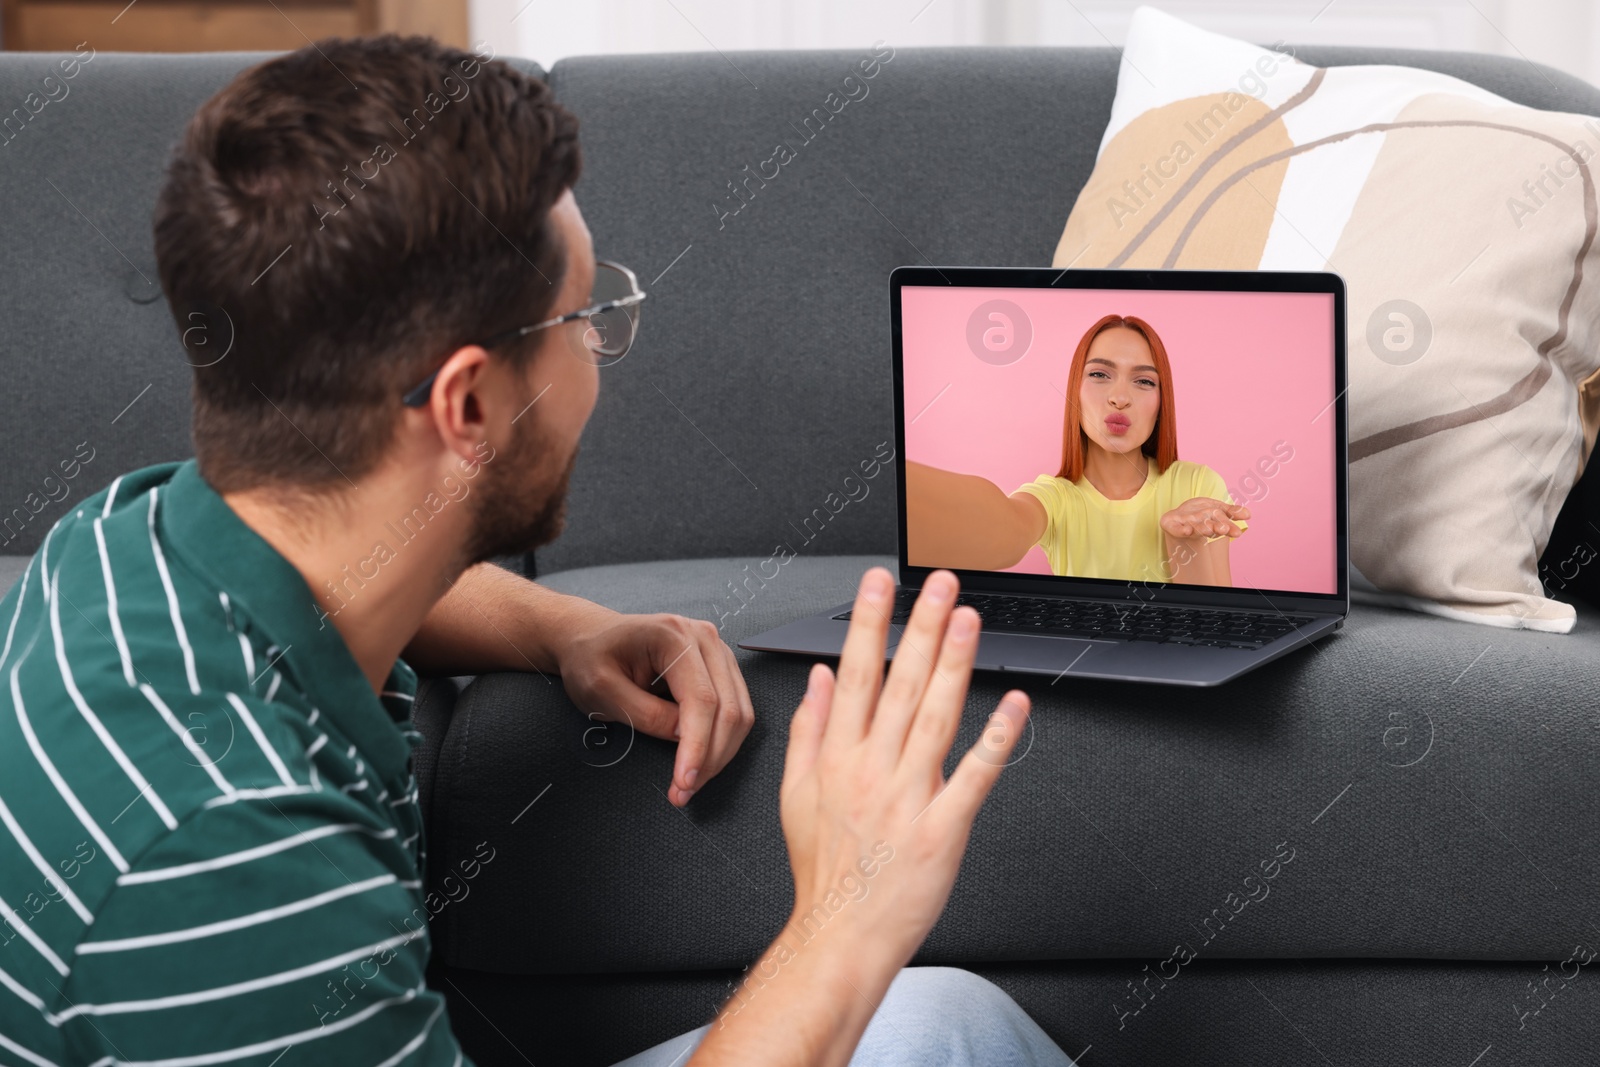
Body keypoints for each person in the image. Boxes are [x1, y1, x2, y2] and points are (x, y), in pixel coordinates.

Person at [0, 36, 1073, 1066]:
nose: (600, 348)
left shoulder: (121, 540)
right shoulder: (234, 854)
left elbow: (354, 579)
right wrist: (847, 915)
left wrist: (567, 627)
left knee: (943, 1025)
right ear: (467, 402)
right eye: (585, 315)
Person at [906, 314, 1251, 586]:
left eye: (1144, 381)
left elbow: (1215, 628)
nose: (1120, 397)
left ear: (1162, 403)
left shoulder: (1197, 486)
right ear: (1075, 390)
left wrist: (1184, 541)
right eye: (1100, 374)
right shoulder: (1055, 498)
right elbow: (1004, 526)